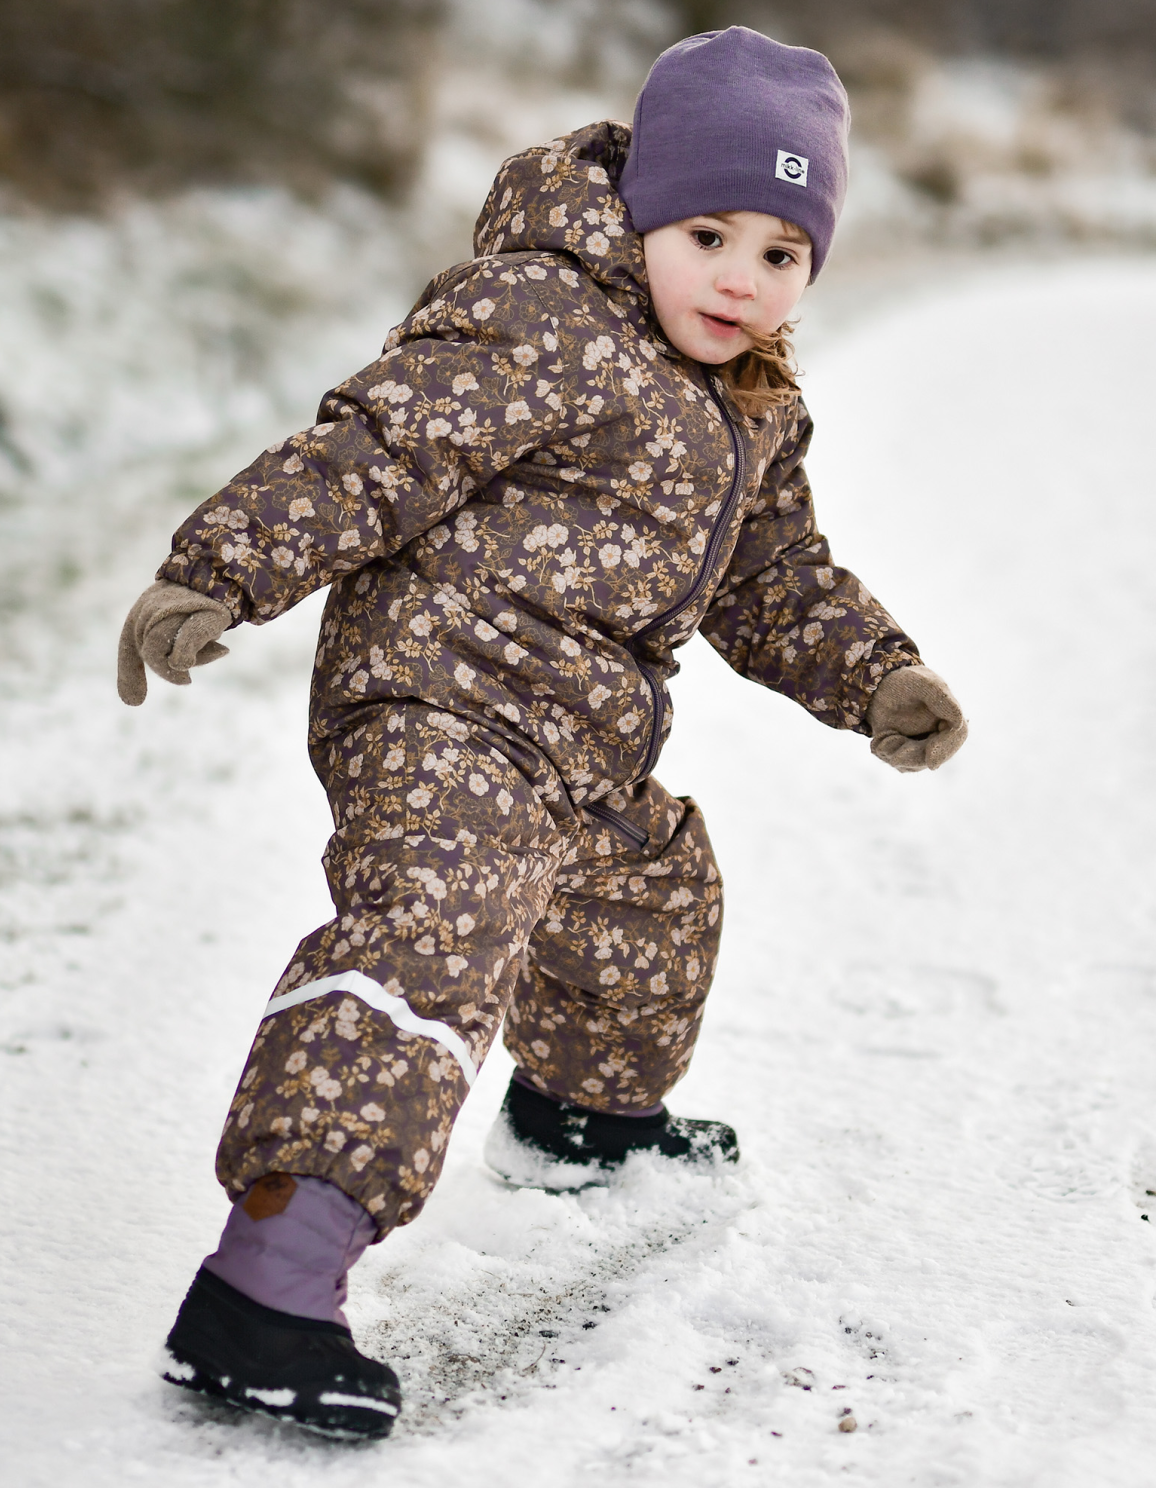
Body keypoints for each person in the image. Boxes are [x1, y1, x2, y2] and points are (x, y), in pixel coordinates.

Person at [117, 26, 968, 1440]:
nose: (741, 279)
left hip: (577, 738)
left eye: (781, 253)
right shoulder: (538, 314)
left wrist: (876, 677)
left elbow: (773, 578)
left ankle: (581, 1122)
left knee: (652, 897)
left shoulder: (755, 401)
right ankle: (269, 1277)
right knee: (436, 930)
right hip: (439, 696)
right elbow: (378, 447)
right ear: (641, 213)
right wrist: (223, 568)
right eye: (708, 235)